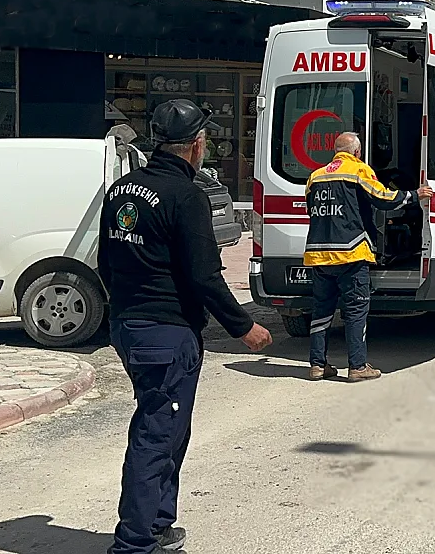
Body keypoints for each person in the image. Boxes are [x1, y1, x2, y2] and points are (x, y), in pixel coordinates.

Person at [98, 99, 273, 554]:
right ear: (196, 145)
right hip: (165, 332)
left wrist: (125, 309)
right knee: (157, 433)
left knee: (169, 428)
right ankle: (134, 542)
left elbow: (105, 262)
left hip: (129, 325)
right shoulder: (186, 196)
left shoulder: (121, 191)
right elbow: (204, 277)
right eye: (206, 140)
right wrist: (243, 327)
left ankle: (157, 522)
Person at [304, 132, 432, 382]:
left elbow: (313, 211)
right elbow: (383, 199)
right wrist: (414, 195)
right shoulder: (359, 170)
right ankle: (357, 366)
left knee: (320, 313)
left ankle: (317, 365)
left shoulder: (315, 177)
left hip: (319, 255)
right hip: (352, 253)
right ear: (357, 152)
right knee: (355, 311)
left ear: (335, 151)